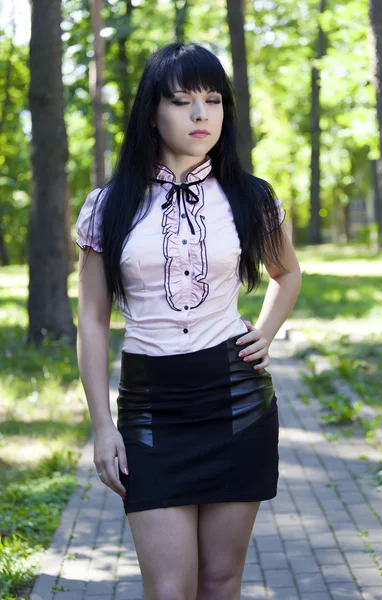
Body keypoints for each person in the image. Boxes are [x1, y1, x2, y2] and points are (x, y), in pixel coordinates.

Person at [76, 41, 301, 600]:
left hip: (237, 398)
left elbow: (287, 273)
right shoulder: (110, 205)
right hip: (152, 407)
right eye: (182, 100)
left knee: (221, 582)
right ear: (152, 110)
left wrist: (265, 333)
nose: (201, 115)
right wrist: (103, 427)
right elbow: (93, 320)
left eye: (213, 99)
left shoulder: (251, 198)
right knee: (170, 588)